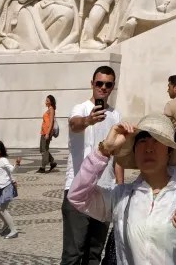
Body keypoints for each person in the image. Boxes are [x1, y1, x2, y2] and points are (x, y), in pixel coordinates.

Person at [67, 113, 176, 265]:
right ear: (134, 151)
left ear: (169, 151)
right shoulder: (122, 196)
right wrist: (105, 150)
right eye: (143, 141)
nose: (149, 148)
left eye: (157, 141)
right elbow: (77, 196)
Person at [62, 65, 123, 265]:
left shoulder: (116, 116)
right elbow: (74, 124)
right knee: (73, 255)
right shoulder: (80, 109)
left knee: (94, 255)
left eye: (108, 84)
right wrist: (89, 120)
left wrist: (120, 190)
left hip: (105, 190)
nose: (103, 88)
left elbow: (118, 157)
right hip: (78, 188)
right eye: (99, 83)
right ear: (92, 84)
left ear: (112, 87)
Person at [0, 140, 21, 238]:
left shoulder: (3, 160)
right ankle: (6, 223)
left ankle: (13, 231)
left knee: (2, 209)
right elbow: (7, 173)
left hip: (6, 188)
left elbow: (12, 170)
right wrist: (13, 179)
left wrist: (17, 164)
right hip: (0, 189)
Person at [39, 94, 58, 173]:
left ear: (51, 102)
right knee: (43, 149)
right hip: (43, 132)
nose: (45, 102)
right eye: (46, 100)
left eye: (47, 101)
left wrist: (47, 133)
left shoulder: (51, 109)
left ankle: (43, 167)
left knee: (44, 150)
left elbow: (50, 123)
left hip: (47, 132)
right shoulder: (48, 110)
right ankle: (52, 162)